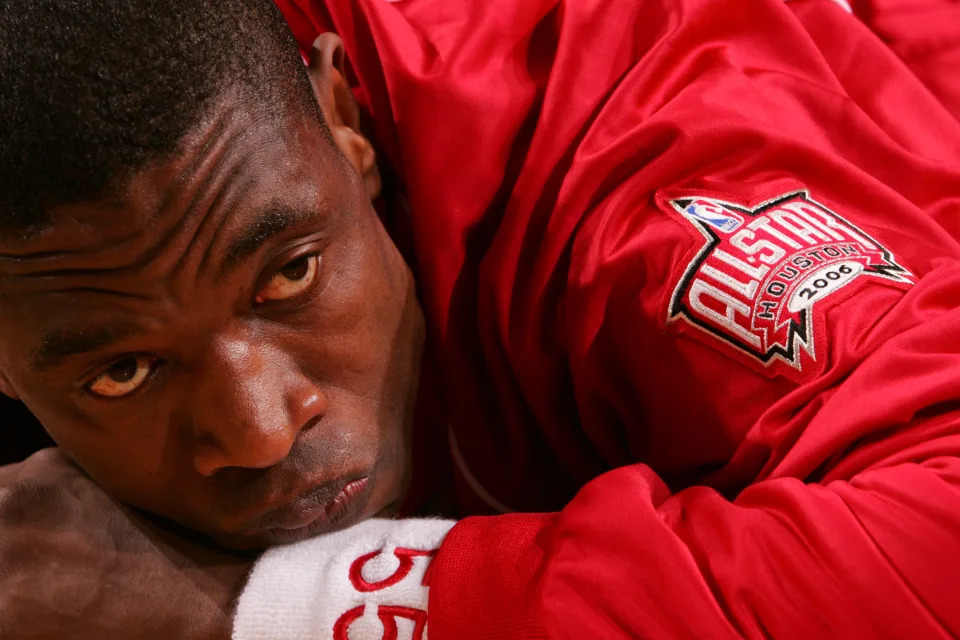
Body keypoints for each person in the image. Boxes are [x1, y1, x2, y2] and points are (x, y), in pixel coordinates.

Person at [2, 0, 960, 638]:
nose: (258, 429)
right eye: (124, 372)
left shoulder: (628, 177)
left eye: (289, 276)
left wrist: (277, 607)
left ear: (345, 122)